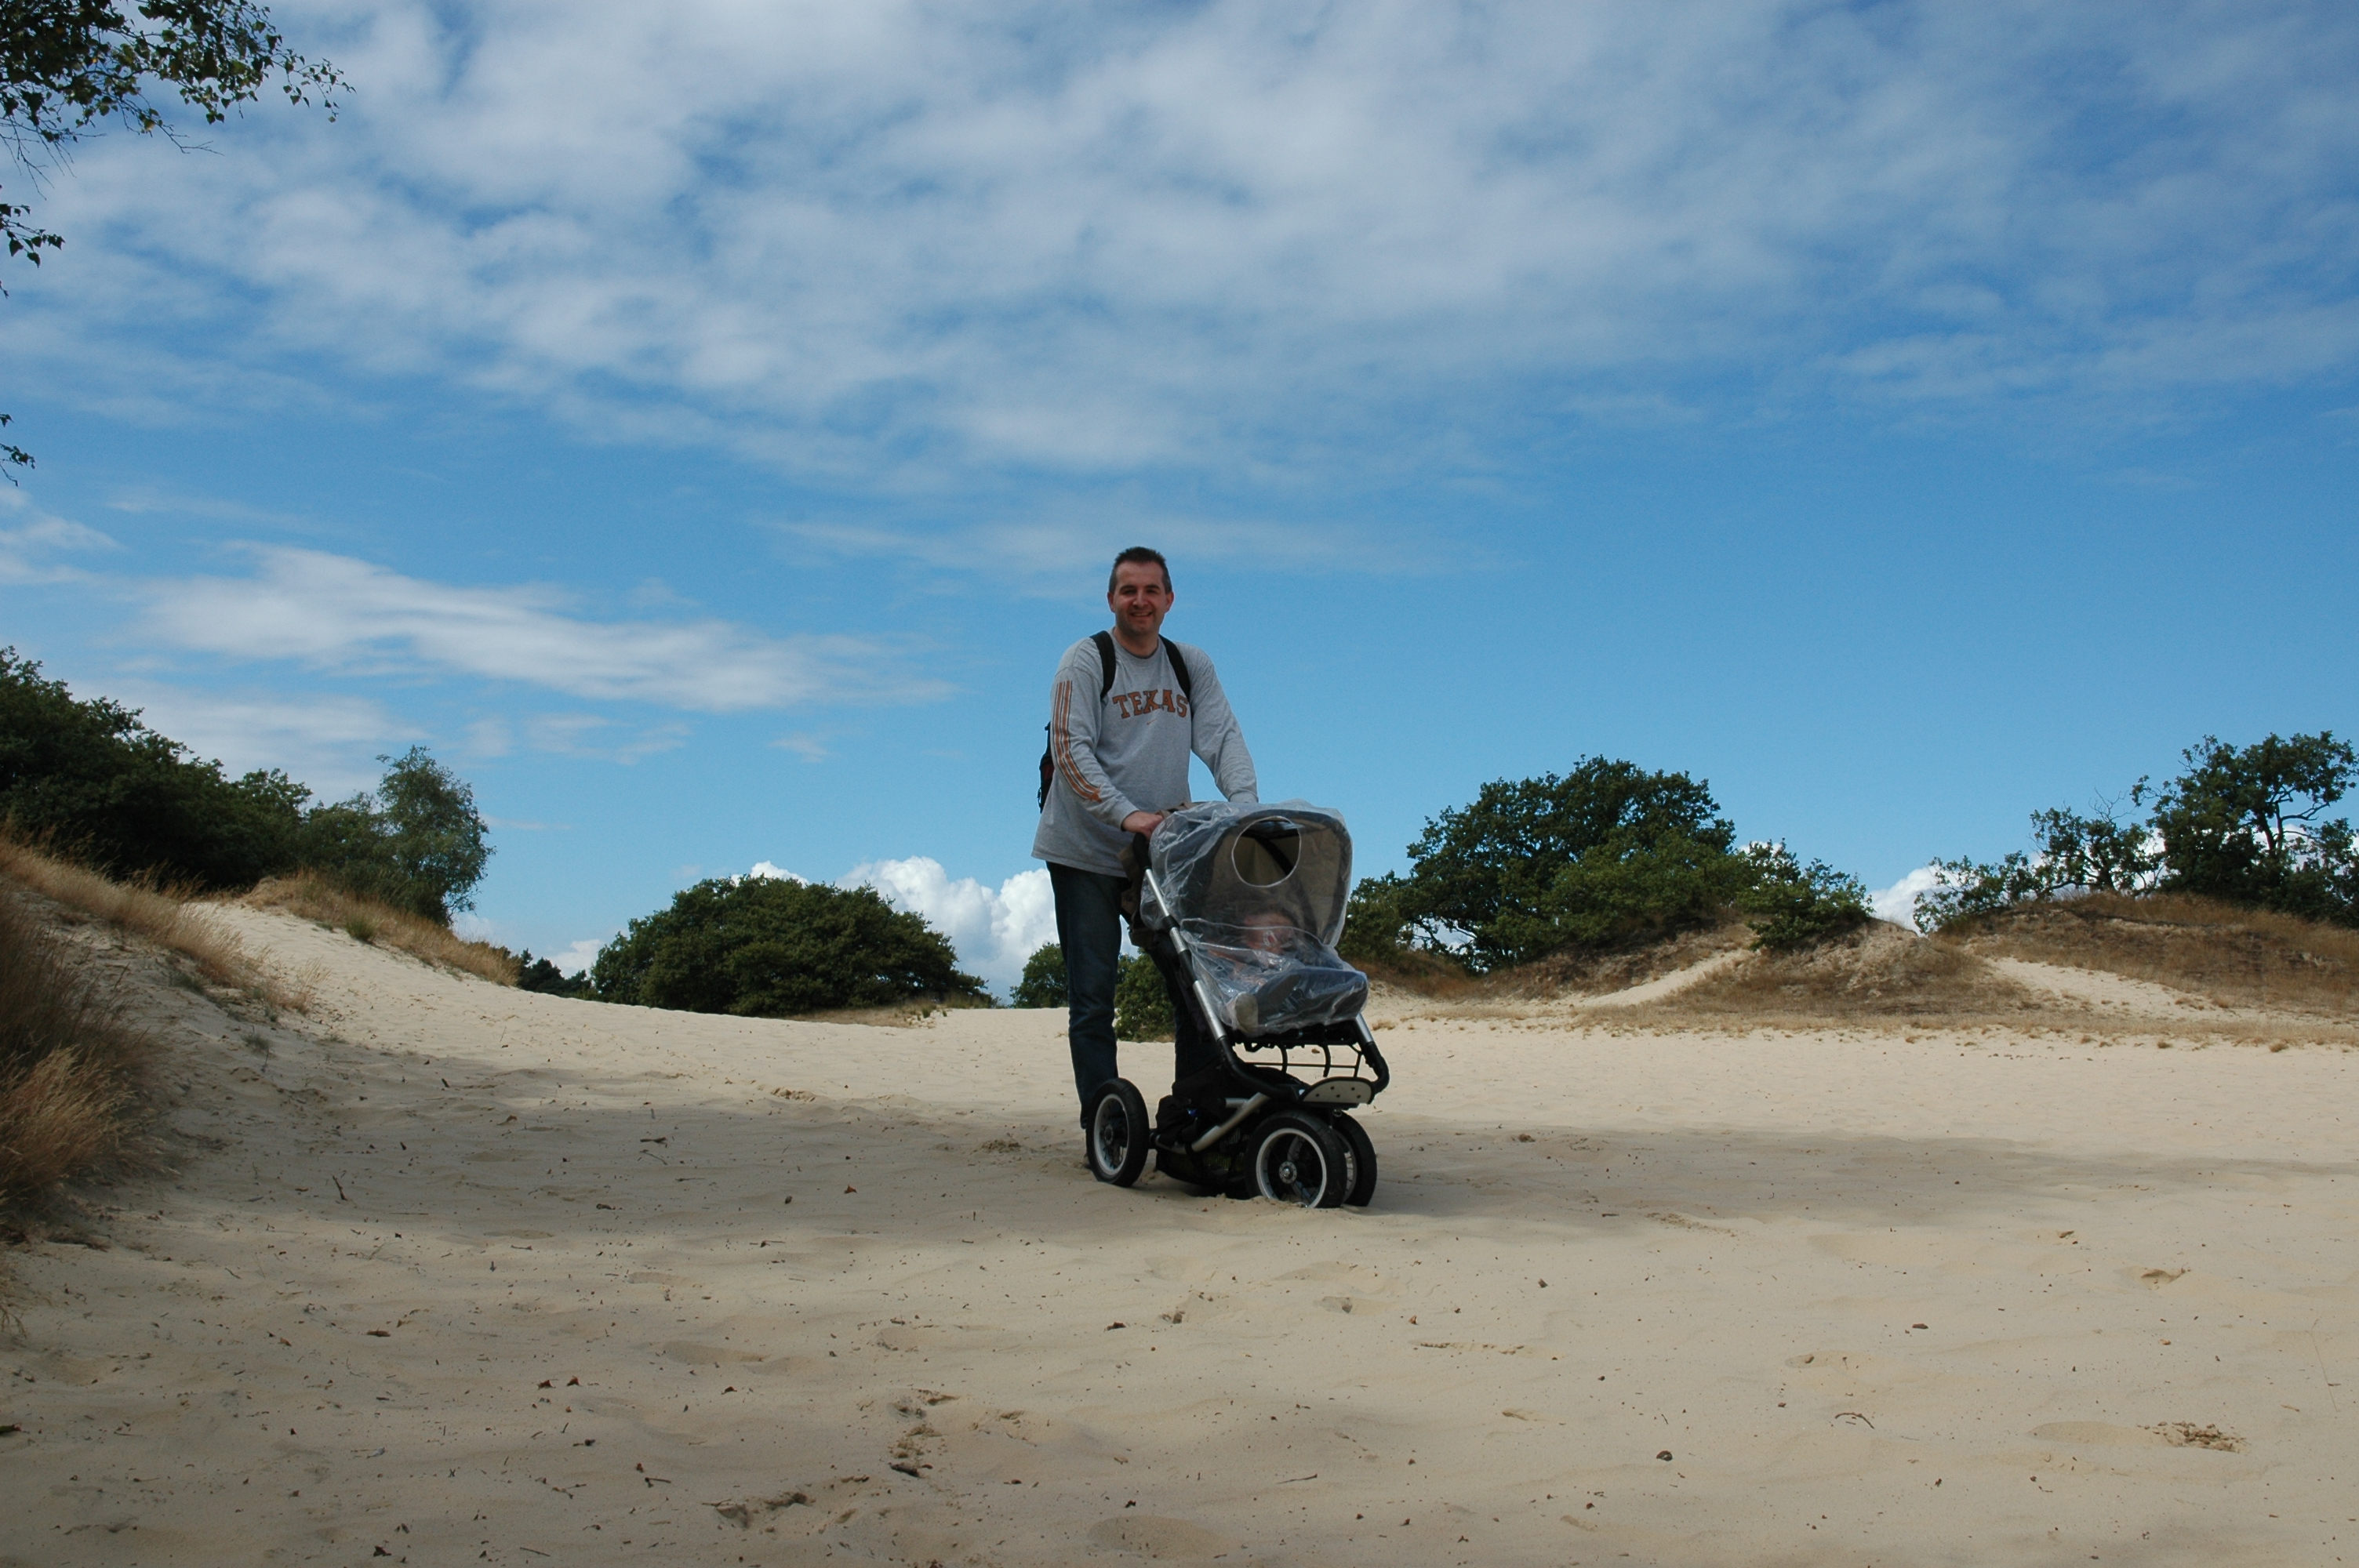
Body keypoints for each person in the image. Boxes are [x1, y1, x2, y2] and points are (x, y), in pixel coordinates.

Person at [1032, 545, 1259, 1127]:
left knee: (1195, 988)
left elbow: (1222, 737)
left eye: (1151, 590)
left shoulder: (1189, 664)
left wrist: (1245, 808)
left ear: (1169, 599)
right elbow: (1070, 748)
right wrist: (1126, 814)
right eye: (1128, 590)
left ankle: (1194, 1114)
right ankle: (1105, 1126)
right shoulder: (1085, 661)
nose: (1140, 601)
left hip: (1162, 851)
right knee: (1093, 998)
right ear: (1111, 599)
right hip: (1084, 851)